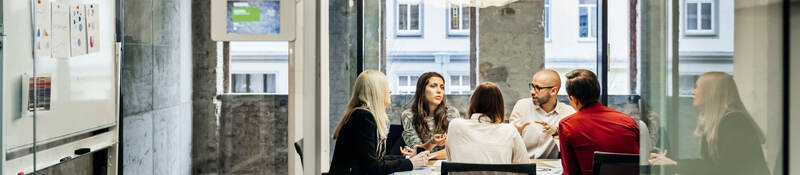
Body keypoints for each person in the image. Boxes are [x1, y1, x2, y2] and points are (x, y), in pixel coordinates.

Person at [329, 70, 431, 175]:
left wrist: (408, 157)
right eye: (386, 88)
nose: (390, 91)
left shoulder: (362, 115)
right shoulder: (363, 117)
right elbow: (372, 168)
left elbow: (376, 158)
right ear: (376, 91)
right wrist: (410, 162)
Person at [671, 72, 768, 175]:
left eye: (698, 87)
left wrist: (676, 165)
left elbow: (723, 169)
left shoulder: (735, 123)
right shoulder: (718, 122)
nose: (693, 92)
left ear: (711, 92)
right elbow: (712, 165)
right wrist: (674, 164)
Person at [557, 69, 639, 175]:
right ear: (597, 92)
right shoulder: (628, 121)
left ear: (573, 99)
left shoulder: (567, 125)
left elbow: (570, 172)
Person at [445, 82, 529, 167]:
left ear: (472, 104)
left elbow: (450, 160)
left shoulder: (455, 126)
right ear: (499, 107)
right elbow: (525, 168)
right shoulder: (510, 130)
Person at [509, 69, 576, 159]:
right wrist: (514, 134)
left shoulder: (568, 113)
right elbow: (508, 146)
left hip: (551, 168)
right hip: (524, 165)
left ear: (553, 91)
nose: (532, 92)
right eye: (532, 86)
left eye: (538, 88)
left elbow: (570, 152)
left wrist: (556, 134)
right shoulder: (522, 106)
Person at [399, 72, 461, 159]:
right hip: (420, 167)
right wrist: (432, 143)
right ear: (422, 90)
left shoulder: (451, 113)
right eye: (433, 86)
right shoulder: (408, 115)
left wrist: (429, 156)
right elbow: (417, 150)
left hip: (445, 165)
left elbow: (456, 149)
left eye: (442, 87)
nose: (439, 91)